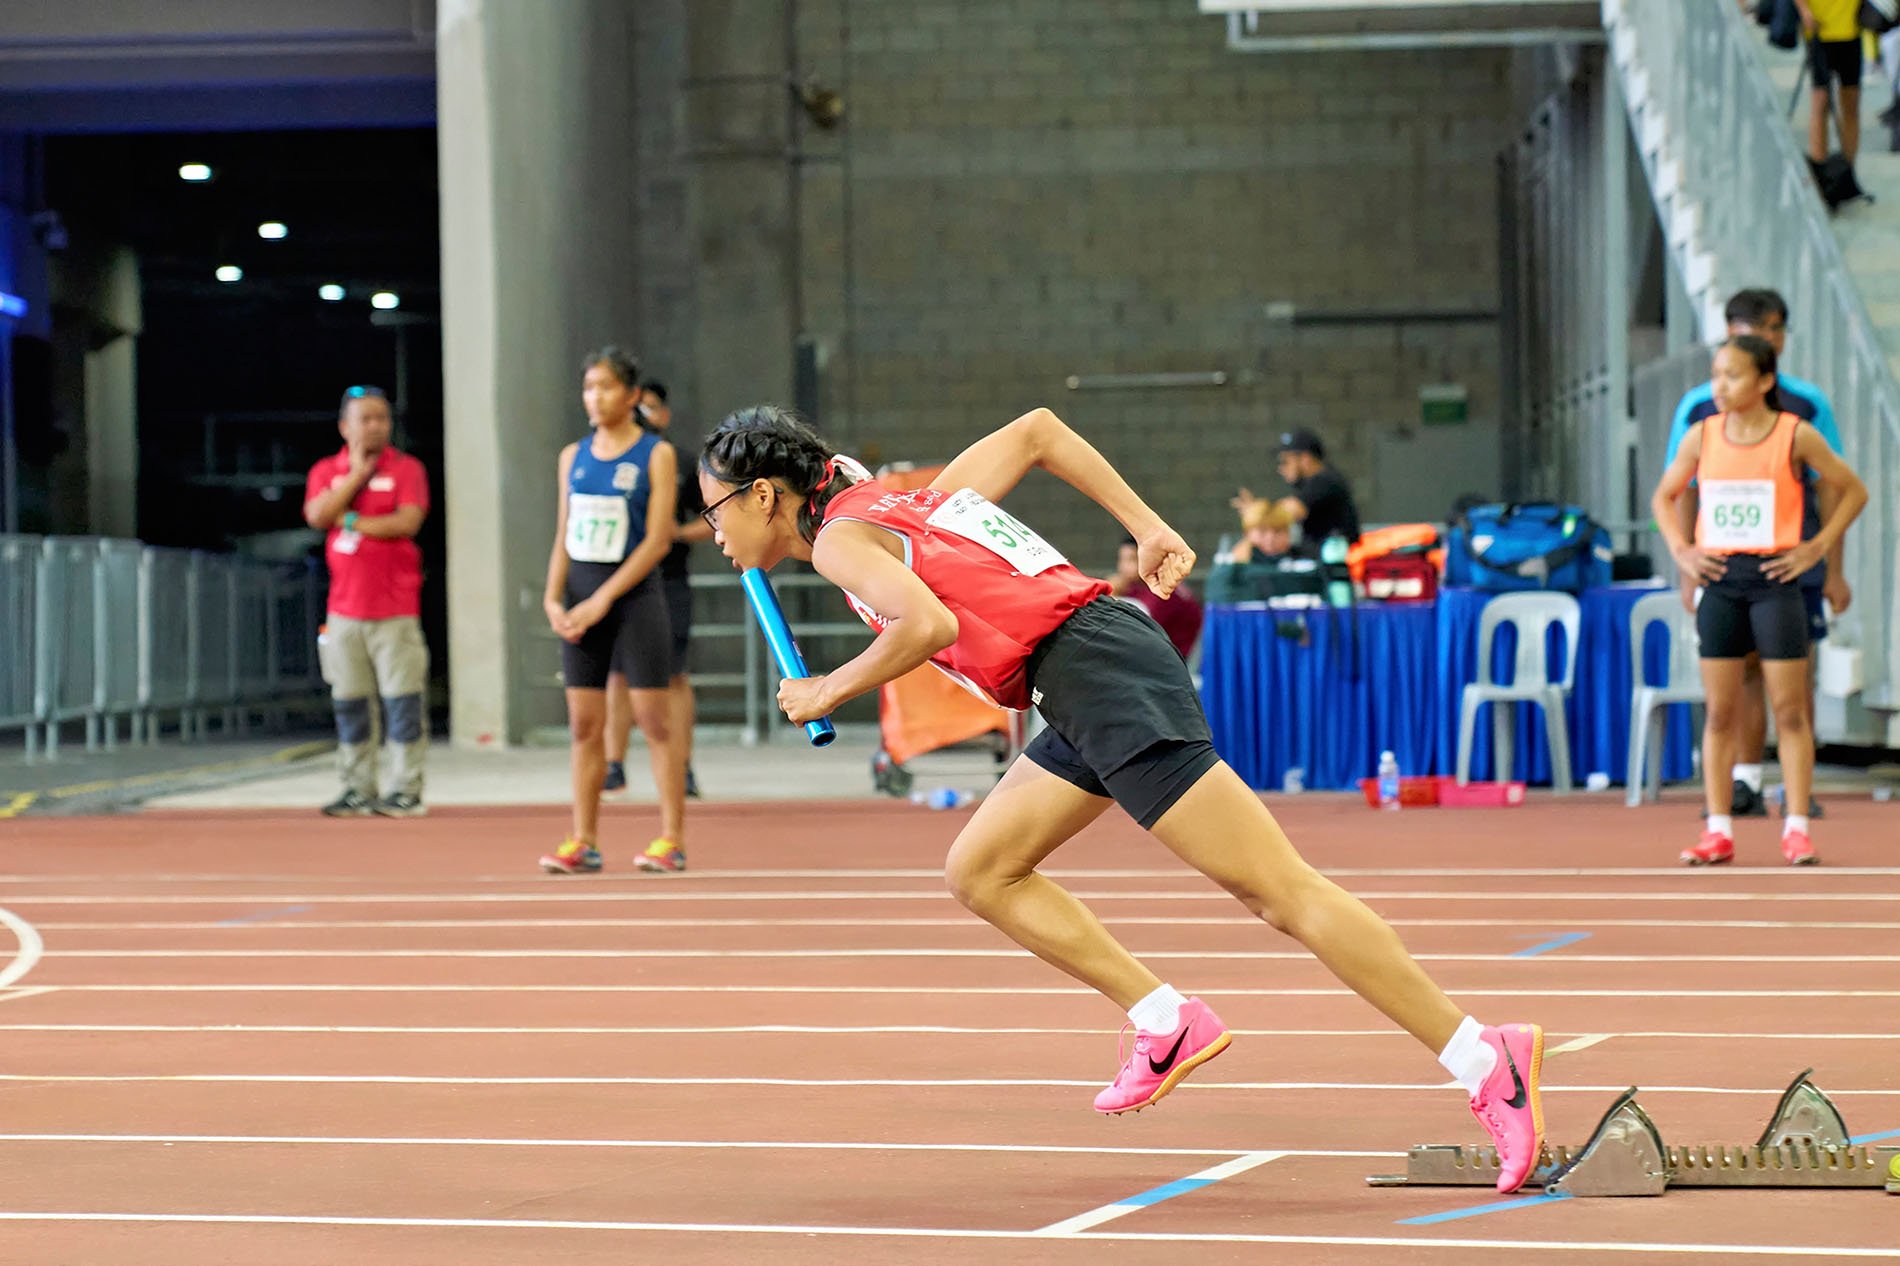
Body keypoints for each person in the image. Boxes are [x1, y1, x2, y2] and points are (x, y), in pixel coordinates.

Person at [697, 403, 1548, 1193]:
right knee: (983, 869)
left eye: (715, 511)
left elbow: (929, 627)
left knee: (1280, 892)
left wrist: (826, 692)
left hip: (1095, 671)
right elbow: (1037, 431)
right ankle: (1165, 1018)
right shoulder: (901, 503)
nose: (713, 533)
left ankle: (1485, 1058)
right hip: (1078, 673)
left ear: (765, 495)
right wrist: (1144, 526)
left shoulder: (848, 539)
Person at [1651, 335, 1865, 867]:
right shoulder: (1702, 436)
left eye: (1732, 376)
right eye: (1716, 374)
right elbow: (1665, 494)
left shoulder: (1796, 435)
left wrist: (1815, 548)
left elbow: (1852, 489)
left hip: (1775, 578)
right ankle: (1718, 828)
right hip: (1721, 579)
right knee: (1720, 712)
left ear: (1765, 381)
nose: (1719, 386)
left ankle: (1795, 827)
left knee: (1790, 712)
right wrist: (1682, 550)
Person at [537, 349, 688, 875]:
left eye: (604, 387)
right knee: (584, 725)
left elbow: (657, 540)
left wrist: (604, 598)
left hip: (636, 602)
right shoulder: (571, 456)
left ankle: (671, 837)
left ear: (630, 396)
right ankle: (584, 839)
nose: (594, 397)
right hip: (581, 601)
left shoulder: (656, 454)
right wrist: (554, 598)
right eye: (588, 388)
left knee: (653, 721)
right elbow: (564, 534)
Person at [302, 385, 431, 818]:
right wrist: (356, 476)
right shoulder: (327, 470)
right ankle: (358, 786)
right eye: (365, 418)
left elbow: (407, 521)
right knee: (350, 703)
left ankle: (406, 789)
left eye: (382, 418)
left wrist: (353, 519)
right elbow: (318, 515)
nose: (375, 425)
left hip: (395, 610)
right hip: (344, 612)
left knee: (403, 703)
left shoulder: (407, 469)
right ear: (345, 426)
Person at [603, 379, 710, 801]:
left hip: (667, 583)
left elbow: (715, 517)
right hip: (615, 581)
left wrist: (677, 533)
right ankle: (613, 765)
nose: (640, 414)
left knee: (673, 676)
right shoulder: (605, 460)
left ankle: (682, 767)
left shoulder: (682, 462)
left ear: (663, 414)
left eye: (648, 407)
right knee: (616, 674)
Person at [1233, 427, 1360, 555]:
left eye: (1285, 461)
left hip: (1333, 563)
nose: (1281, 468)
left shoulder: (1324, 480)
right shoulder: (1314, 482)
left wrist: (1257, 512)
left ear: (1305, 459)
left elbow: (1287, 513)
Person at [1107, 534, 1202, 660]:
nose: (1123, 567)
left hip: (1181, 663)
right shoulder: (1135, 587)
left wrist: (1111, 595)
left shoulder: (1163, 588)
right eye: (1122, 560)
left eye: (1131, 560)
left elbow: (1133, 630)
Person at [1796, 0, 1863, 167]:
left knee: (1851, 104)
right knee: (1820, 101)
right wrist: (1804, 10)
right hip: (1819, 30)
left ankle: (1848, 169)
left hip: (1851, 29)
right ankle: (1819, 167)